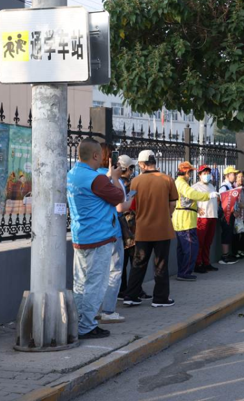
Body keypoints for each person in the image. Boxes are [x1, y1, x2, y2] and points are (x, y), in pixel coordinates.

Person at [67, 138, 126, 339]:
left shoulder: (73, 174)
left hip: (80, 236)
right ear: (95, 155)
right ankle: (87, 326)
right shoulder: (97, 179)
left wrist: (109, 176)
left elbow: (96, 193)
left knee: (80, 283)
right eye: (101, 155)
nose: (103, 158)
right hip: (99, 238)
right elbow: (119, 197)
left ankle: (78, 322)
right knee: (96, 284)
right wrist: (116, 177)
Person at [123, 150, 179, 308]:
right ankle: (160, 298)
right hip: (163, 229)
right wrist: (166, 216)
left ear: (141, 164)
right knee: (160, 263)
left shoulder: (135, 182)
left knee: (138, 263)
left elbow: (131, 204)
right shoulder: (167, 179)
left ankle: (131, 296)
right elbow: (173, 204)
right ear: (154, 161)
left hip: (142, 229)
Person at [96, 146, 128, 324]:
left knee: (94, 273)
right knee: (114, 271)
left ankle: (91, 310)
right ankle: (108, 310)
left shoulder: (92, 178)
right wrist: (129, 200)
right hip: (112, 232)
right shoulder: (114, 179)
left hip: (94, 233)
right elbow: (121, 206)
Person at [173, 162, 219, 281]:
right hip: (185, 220)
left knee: (184, 249)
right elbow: (191, 194)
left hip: (184, 219)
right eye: (191, 172)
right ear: (187, 172)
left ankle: (182, 272)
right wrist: (208, 196)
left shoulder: (181, 183)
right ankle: (185, 272)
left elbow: (186, 200)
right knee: (191, 247)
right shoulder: (182, 184)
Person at [117, 155, 150, 302]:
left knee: (121, 262)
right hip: (130, 228)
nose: (132, 171)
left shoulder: (114, 182)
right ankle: (134, 290)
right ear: (128, 169)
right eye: (132, 168)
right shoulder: (130, 185)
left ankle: (122, 289)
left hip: (119, 228)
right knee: (135, 261)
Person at [193, 165, 219, 274]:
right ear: (199, 175)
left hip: (212, 216)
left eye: (208, 173)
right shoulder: (195, 187)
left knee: (208, 242)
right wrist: (197, 209)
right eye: (204, 173)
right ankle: (197, 263)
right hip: (202, 217)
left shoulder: (212, 186)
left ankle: (206, 262)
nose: (207, 175)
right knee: (200, 242)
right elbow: (190, 200)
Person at [218, 166, 241, 264]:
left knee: (229, 233)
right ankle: (224, 256)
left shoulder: (231, 186)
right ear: (227, 175)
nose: (235, 176)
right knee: (226, 234)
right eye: (233, 174)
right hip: (225, 215)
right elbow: (223, 201)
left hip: (230, 214)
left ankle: (227, 254)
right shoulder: (224, 187)